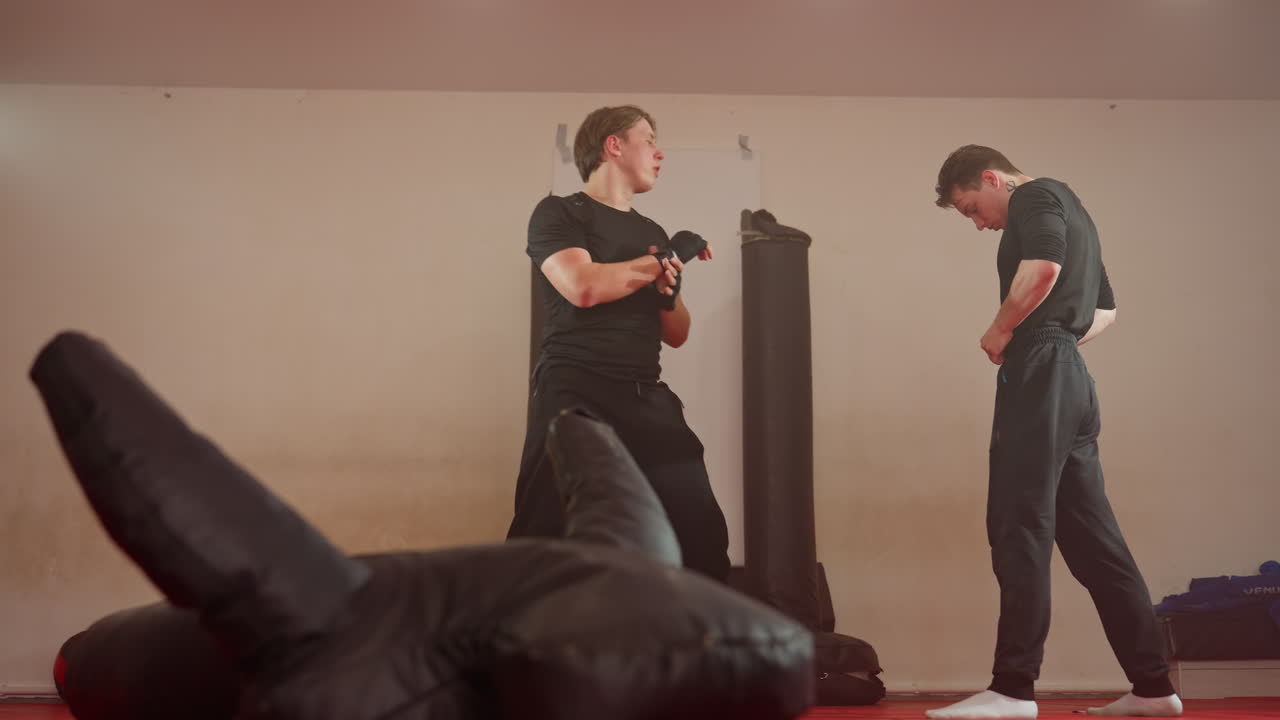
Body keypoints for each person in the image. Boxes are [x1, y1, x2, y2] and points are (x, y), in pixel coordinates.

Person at [924, 145, 1182, 719]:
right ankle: (1153, 687)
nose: (978, 224)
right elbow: (1106, 311)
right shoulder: (1074, 209)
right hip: (1070, 377)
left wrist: (1004, 331)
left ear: (993, 178)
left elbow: (1043, 269)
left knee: (1018, 525)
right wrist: (1060, 338)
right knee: (1096, 544)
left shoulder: (1035, 196)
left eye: (972, 208)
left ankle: (1013, 689)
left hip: (1042, 374)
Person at [506, 104, 730, 582]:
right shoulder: (560, 212)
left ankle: (689, 626)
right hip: (575, 390)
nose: (659, 153)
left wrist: (668, 294)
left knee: (700, 534)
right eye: (648, 139)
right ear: (614, 145)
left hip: (644, 393)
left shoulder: (651, 234)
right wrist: (666, 259)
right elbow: (583, 287)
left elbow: (676, 333)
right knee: (550, 530)